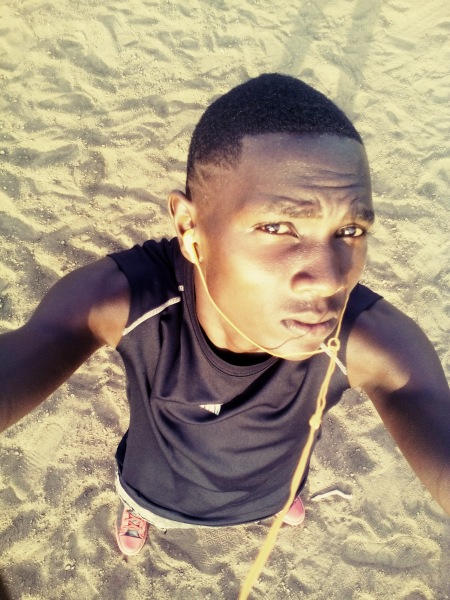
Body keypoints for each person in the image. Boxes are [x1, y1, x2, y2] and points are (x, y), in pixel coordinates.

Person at [0, 74, 449, 558]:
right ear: (190, 230)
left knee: (283, 492)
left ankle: (283, 499)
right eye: (278, 226)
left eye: (351, 231)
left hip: (274, 488)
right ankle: (137, 511)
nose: (330, 279)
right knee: (140, 500)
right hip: (153, 489)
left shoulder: (368, 339)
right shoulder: (127, 301)